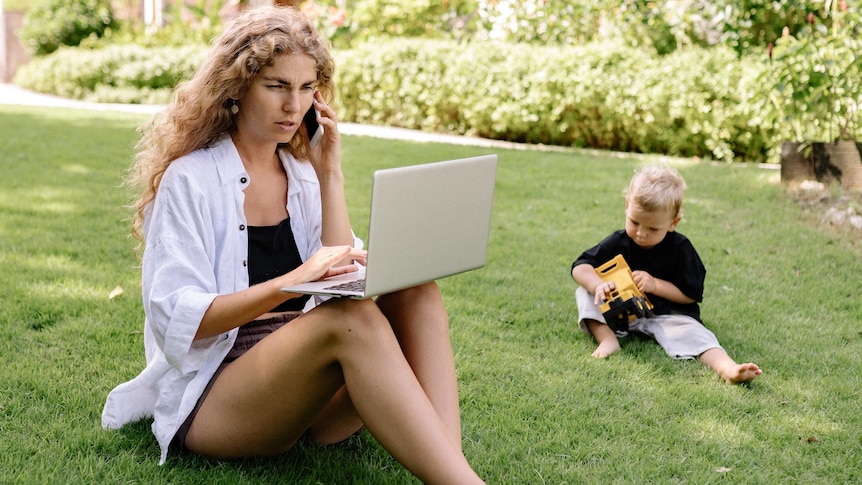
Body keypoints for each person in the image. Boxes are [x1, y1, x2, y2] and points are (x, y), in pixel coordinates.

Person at [101, 6, 484, 484]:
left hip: (300, 392)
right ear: (237, 87)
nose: (293, 106)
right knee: (351, 320)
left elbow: (339, 274)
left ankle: (451, 467)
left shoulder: (301, 176)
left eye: (306, 89)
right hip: (218, 399)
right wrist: (290, 283)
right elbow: (183, 322)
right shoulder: (190, 180)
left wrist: (329, 174)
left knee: (417, 291)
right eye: (277, 86)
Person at [570, 164, 761, 384]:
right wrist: (597, 285)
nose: (641, 233)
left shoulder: (681, 249)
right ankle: (607, 339)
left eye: (652, 229)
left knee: (696, 334)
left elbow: (690, 294)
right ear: (626, 207)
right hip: (621, 312)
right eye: (634, 222)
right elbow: (581, 266)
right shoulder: (620, 241)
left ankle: (727, 368)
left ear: (673, 223)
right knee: (584, 293)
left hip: (667, 314)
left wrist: (655, 285)